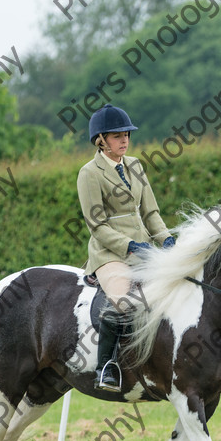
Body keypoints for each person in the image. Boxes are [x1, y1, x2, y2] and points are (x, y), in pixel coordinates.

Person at [77, 104, 175, 391]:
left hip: (143, 246)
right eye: (118, 136)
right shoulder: (89, 173)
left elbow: (151, 213)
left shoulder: (134, 165)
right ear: (101, 140)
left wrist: (166, 239)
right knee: (123, 304)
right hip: (109, 254)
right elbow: (97, 225)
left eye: (126, 135)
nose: (124, 140)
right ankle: (105, 368)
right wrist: (130, 246)